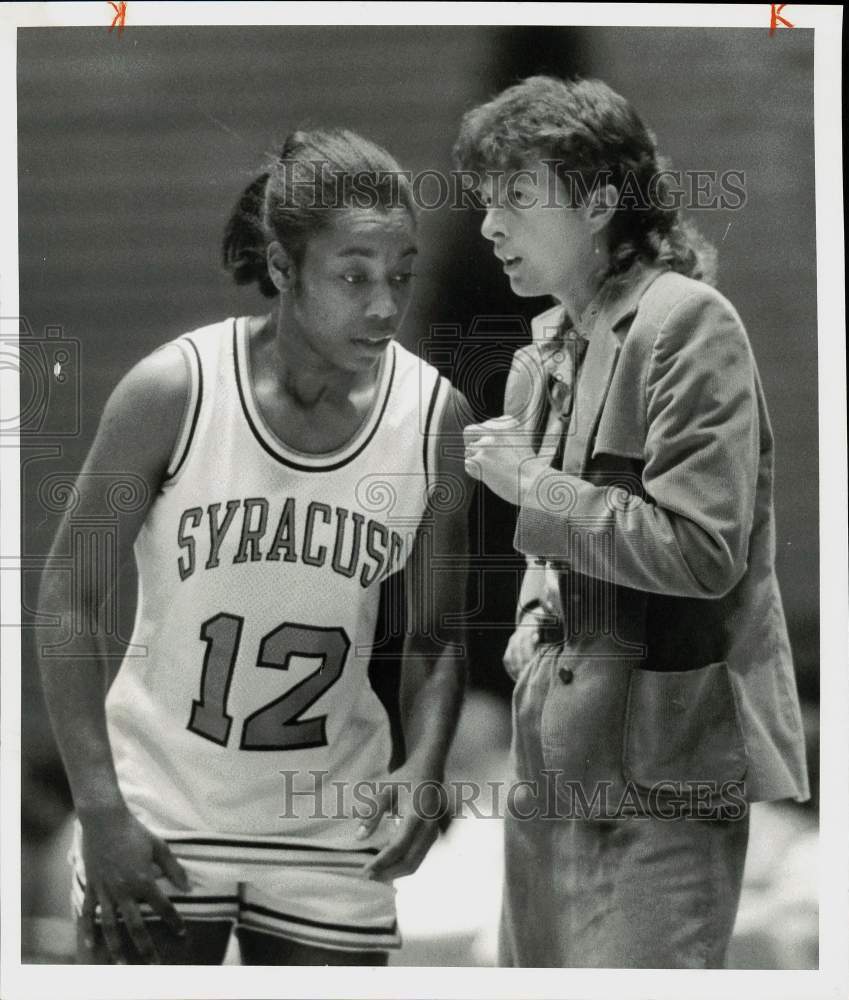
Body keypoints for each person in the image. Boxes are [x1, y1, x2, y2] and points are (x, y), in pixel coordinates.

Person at [37, 128, 470, 966]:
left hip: (329, 822)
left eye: (401, 276)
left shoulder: (433, 417)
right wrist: (99, 807)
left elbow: (436, 635)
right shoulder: (174, 390)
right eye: (354, 275)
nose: (384, 305)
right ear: (282, 266)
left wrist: (425, 764)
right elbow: (66, 596)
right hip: (162, 809)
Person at [454, 76, 810, 968]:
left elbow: (702, 550)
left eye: (515, 199)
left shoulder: (690, 322)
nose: (489, 225)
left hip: (665, 775)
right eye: (484, 201)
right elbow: (561, 559)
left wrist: (534, 486)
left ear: (600, 203)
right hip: (548, 768)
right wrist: (532, 634)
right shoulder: (541, 356)